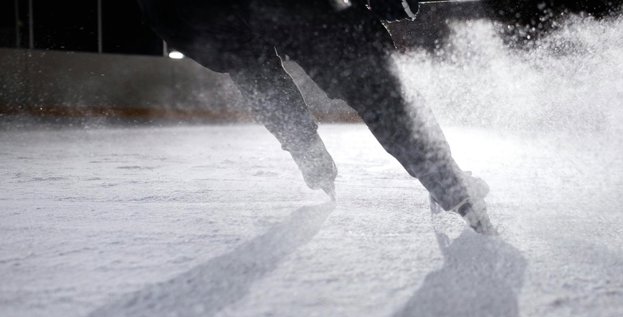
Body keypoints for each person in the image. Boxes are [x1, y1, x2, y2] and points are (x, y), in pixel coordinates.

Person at [137, 0, 494, 233]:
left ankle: (311, 154)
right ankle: (444, 177)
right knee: (369, 78)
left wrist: (206, 45)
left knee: (258, 75)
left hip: (207, 19)